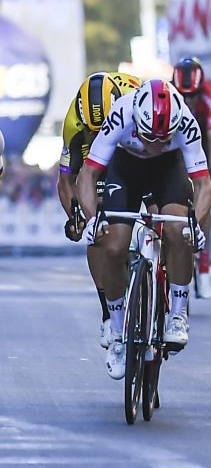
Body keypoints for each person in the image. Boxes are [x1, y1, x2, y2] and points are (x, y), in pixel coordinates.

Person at [77, 79, 211, 380]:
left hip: (168, 170)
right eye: (149, 136)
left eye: (162, 138)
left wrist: (196, 221)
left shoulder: (186, 123)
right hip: (125, 169)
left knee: (179, 233)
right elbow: (88, 174)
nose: (155, 144)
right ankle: (116, 329)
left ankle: (177, 313)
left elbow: (204, 185)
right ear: (137, 120)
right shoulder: (121, 114)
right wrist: (91, 219)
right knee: (113, 246)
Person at [56, 71, 141, 349]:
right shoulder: (73, 123)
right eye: (92, 130)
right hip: (98, 163)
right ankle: (108, 311)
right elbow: (67, 179)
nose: (97, 134)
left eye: (101, 127)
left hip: (133, 147)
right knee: (96, 223)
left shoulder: (135, 101)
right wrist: (77, 216)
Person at [172, 57, 211, 299]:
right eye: (184, 95)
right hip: (173, 142)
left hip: (198, 140)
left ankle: (204, 271)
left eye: (193, 95)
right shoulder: (169, 95)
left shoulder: (209, 94)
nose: (189, 100)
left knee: (205, 196)